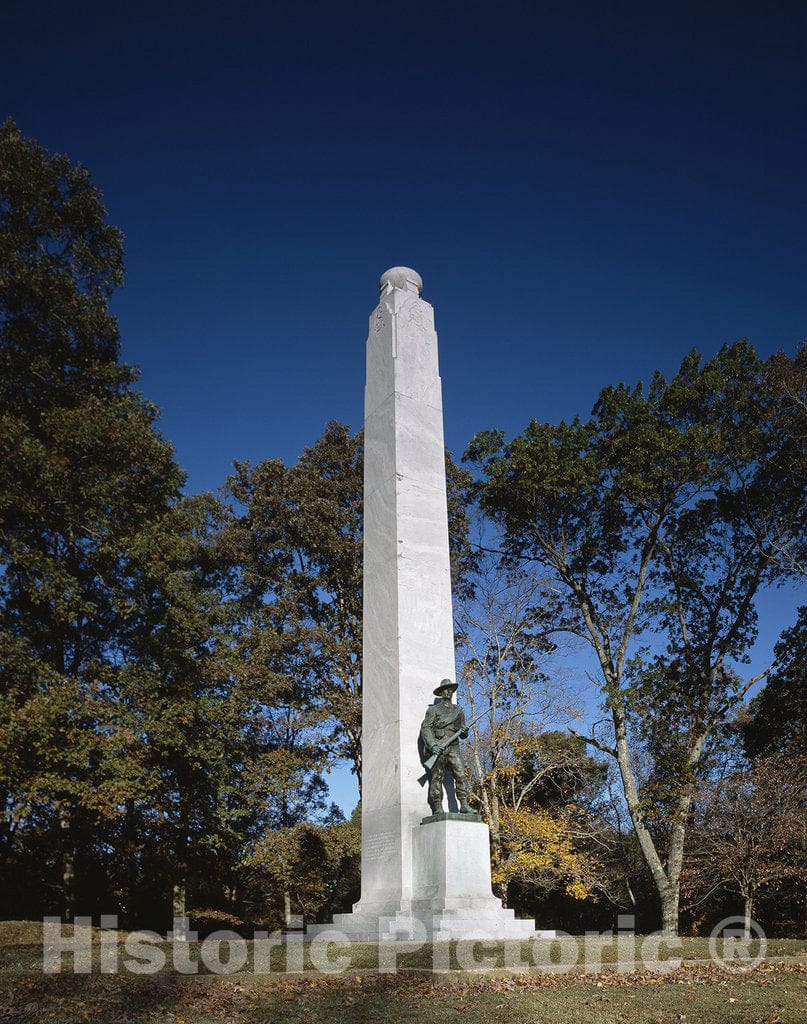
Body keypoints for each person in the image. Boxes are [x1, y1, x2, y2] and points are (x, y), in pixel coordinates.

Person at [420, 679, 472, 814]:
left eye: (450, 689)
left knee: (461, 775)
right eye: (445, 689)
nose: (448, 691)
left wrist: (465, 731)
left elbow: (463, 735)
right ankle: (438, 806)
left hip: (454, 747)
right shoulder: (433, 710)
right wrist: (432, 745)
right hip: (439, 746)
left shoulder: (458, 710)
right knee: (437, 777)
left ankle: (464, 804)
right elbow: (426, 729)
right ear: (440, 692)